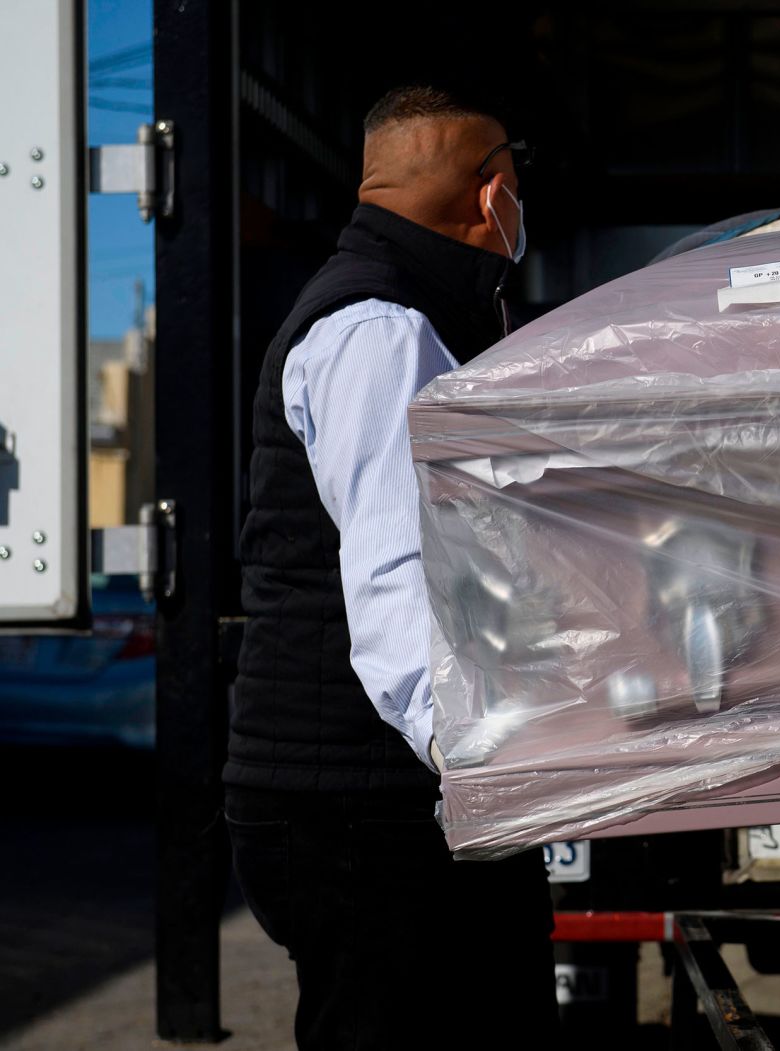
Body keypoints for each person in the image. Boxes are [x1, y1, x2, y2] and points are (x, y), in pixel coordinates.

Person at [225, 85, 557, 1049]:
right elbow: (397, 581)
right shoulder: (381, 329)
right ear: (493, 196)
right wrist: (478, 767)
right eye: (518, 183)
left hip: (357, 801)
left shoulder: (399, 309)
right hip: (365, 808)